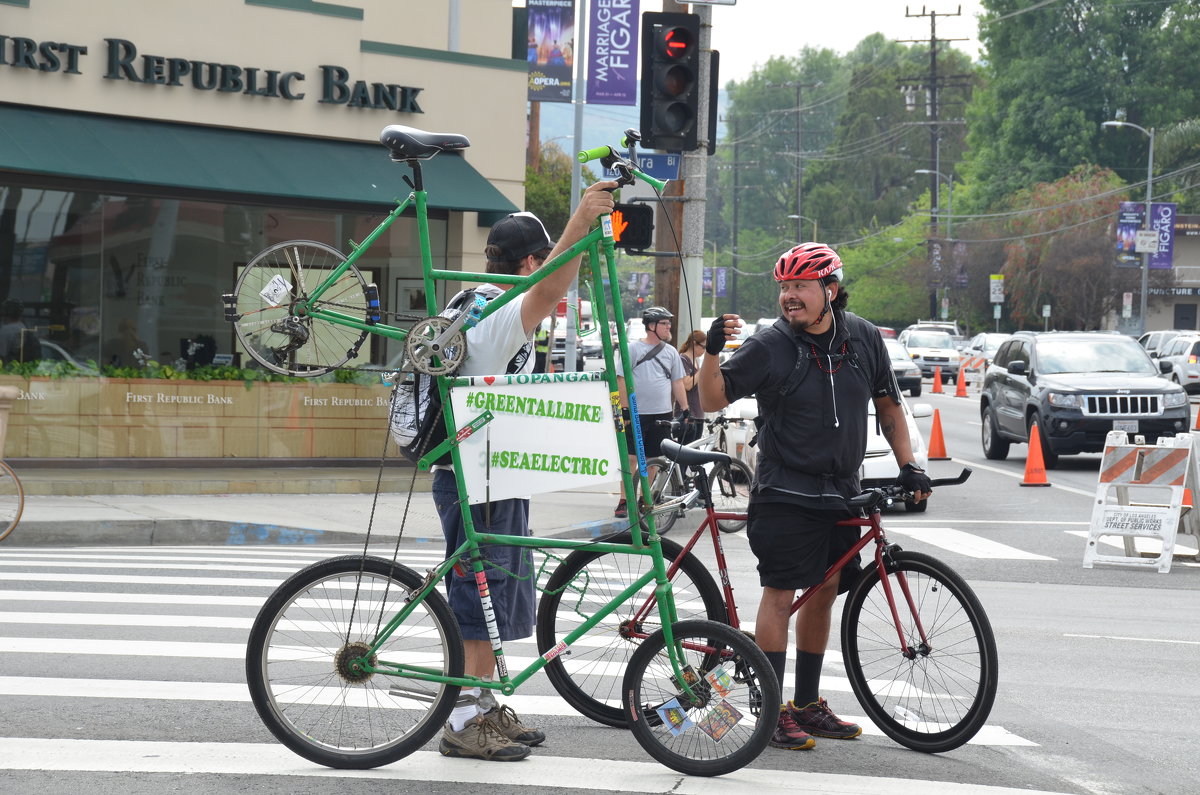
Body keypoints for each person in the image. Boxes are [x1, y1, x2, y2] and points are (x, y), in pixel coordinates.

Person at [698, 242, 932, 751]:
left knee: (824, 590)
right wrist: (712, 352)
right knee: (780, 595)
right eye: (783, 287)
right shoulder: (771, 345)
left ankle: (806, 704)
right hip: (785, 491)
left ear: (830, 289)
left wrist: (909, 464)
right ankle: (771, 709)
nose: (789, 296)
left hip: (843, 491)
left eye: (800, 286)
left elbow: (889, 404)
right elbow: (711, 399)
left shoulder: (864, 338)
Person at [432, 181, 616, 762]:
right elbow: (554, 284)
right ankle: (462, 716)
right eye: (544, 264)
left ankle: (484, 706)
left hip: (492, 467)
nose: (556, 292)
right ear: (530, 264)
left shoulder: (475, 301)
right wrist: (583, 221)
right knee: (478, 593)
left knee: (498, 591)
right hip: (477, 472)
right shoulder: (502, 307)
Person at [614, 306, 689, 519]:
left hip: (662, 414)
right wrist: (625, 409)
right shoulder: (633, 349)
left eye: (668, 323)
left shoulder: (671, 352)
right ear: (651, 326)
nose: (668, 327)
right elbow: (621, 379)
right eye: (664, 323)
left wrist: (685, 409)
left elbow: (677, 382)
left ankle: (644, 499)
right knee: (630, 458)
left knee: (653, 458)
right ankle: (624, 500)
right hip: (636, 413)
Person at [675, 330, 707, 445]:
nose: (704, 351)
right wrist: (702, 370)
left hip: (698, 413)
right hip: (687, 413)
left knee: (695, 450)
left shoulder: (696, 360)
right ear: (694, 343)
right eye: (703, 347)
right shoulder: (683, 359)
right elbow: (687, 384)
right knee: (685, 450)